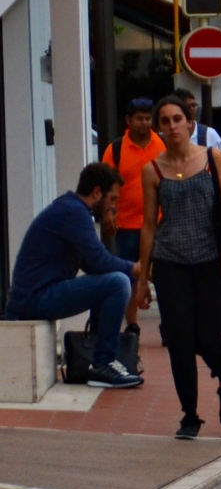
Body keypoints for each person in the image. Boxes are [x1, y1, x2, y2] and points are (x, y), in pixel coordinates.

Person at [136, 94, 221, 440]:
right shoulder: (152, 170)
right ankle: (190, 415)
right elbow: (149, 225)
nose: (172, 126)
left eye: (177, 119)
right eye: (164, 121)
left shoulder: (213, 158)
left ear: (188, 122)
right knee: (180, 341)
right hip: (170, 262)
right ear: (159, 128)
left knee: (209, 337)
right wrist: (143, 280)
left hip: (211, 259)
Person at [4, 163, 143, 388]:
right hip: (34, 301)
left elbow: (95, 265)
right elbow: (101, 261)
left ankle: (101, 359)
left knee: (113, 280)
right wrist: (138, 268)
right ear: (97, 192)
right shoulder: (73, 211)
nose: (113, 207)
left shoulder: (73, 210)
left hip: (38, 297)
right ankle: (103, 363)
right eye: (112, 199)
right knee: (118, 282)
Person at [102, 97, 165, 336]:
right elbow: (107, 184)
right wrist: (109, 211)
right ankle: (133, 325)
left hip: (159, 222)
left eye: (148, 118)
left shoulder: (162, 144)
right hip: (126, 224)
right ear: (128, 120)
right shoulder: (115, 149)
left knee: (163, 275)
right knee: (129, 275)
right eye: (139, 118)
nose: (144, 122)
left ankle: (168, 324)